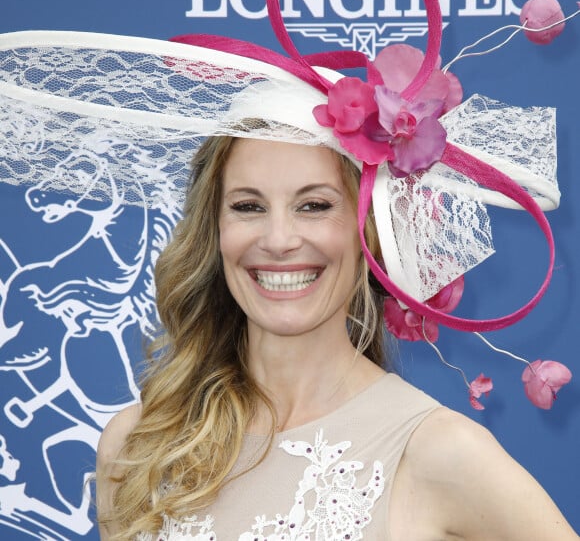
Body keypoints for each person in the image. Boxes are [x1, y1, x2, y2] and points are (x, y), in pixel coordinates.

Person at [96, 131, 578, 540]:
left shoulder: (440, 450)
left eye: (314, 205)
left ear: (365, 229)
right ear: (214, 231)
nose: (279, 239)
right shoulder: (136, 443)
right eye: (247, 206)